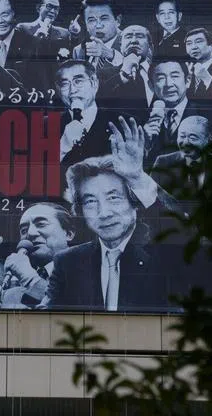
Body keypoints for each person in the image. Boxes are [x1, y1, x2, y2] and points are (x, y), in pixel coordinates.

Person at [45, 118, 174, 312]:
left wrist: (137, 178)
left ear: (135, 202)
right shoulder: (67, 262)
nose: (103, 213)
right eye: (90, 202)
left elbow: (189, 232)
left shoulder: (166, 253)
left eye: (113, 198)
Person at [0, 202, 77, 309]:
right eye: (24, 230)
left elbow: (74, 311)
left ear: (68, 233)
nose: (30, 233)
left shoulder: (92, 271)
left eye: (41, 224)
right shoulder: (10, 295)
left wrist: (31, 279)